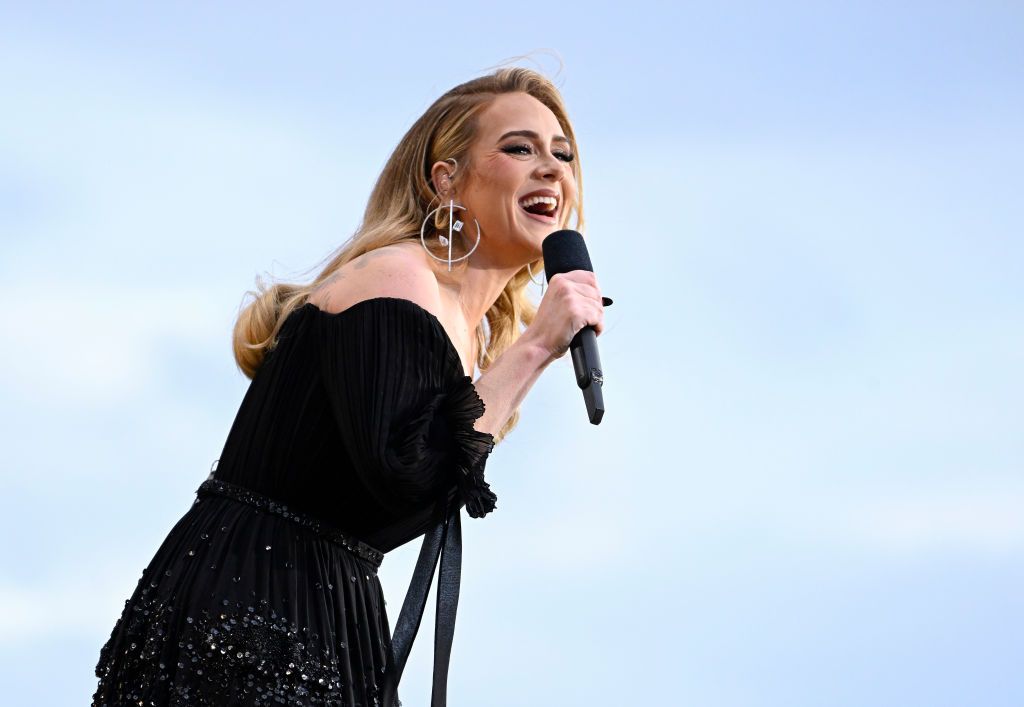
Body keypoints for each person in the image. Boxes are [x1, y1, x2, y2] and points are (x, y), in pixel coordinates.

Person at [92, 66, 606, 707]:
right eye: (519, 147)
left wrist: (521, 358)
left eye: (564, 155)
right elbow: (404, 473)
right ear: (445, 178)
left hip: (327, 609)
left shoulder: (462, 334)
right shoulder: (401, 278)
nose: (552, 169)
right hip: (253, 606)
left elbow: (406, 498)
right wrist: (533, 350)